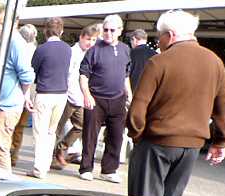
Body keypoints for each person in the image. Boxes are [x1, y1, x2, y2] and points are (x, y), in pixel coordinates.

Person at [127, 9, 225, 196]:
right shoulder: (215, 61)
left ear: (170, 35)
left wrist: (137, 135)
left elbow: (138, 107)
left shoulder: (159, 62)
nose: (158, 42)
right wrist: (220, 141)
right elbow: (224, 107)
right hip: (192, 146)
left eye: (160, 37)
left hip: (156, 142)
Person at [78, 14, 131, 182]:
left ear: (120, 31)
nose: (108, 33)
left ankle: (109, 170)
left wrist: (129, 94)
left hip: (118, 99)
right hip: (96, 98)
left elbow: (125, 75)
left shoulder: (125, 49)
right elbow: (83, 75)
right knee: (90, 135)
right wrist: (86, 95)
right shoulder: (94, 50)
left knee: (116, 136)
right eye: (106, 30)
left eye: (112, 30)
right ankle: (86, 168)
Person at [0, 11, 34, 174]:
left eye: (2, 24)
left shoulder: (15, 43)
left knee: (1, 149)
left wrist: (24, 95)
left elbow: (27, 74)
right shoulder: (8, 42)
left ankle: (4, 188)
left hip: (8, 105)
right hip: (3, 103)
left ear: (15, 23)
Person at [27, 17, 71, 178]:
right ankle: (45, 164)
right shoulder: (68, 49)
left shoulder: (41, 49)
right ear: (61, 31)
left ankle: (39, 168)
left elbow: (33, 72)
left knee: (40, 132)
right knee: (51, 132)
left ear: (46, 30)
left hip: (45, 93)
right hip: (61, 94)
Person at [54, 24, 97, 169]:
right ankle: (50, 157)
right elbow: (67, 76)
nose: (90, 43)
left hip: (80, 98)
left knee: (81, 126)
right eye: (88, 39)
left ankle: (61, 149)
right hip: (67, 96)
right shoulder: (72, 52)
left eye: (93, 40)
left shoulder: (91, 54)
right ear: (81, 37)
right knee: (57, 128)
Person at [9, 23, 38, 167]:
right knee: (19, 127)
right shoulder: (34, 51)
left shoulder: (16, 47)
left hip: (16, 91)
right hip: (29, 92)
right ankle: (13, 155)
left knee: (11, 126)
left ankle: (9, 154)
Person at [128, 28, 155, 94]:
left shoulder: (130, 53)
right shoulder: (155, 55)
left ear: (134, 39)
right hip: (151, 92)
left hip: (133, 91)